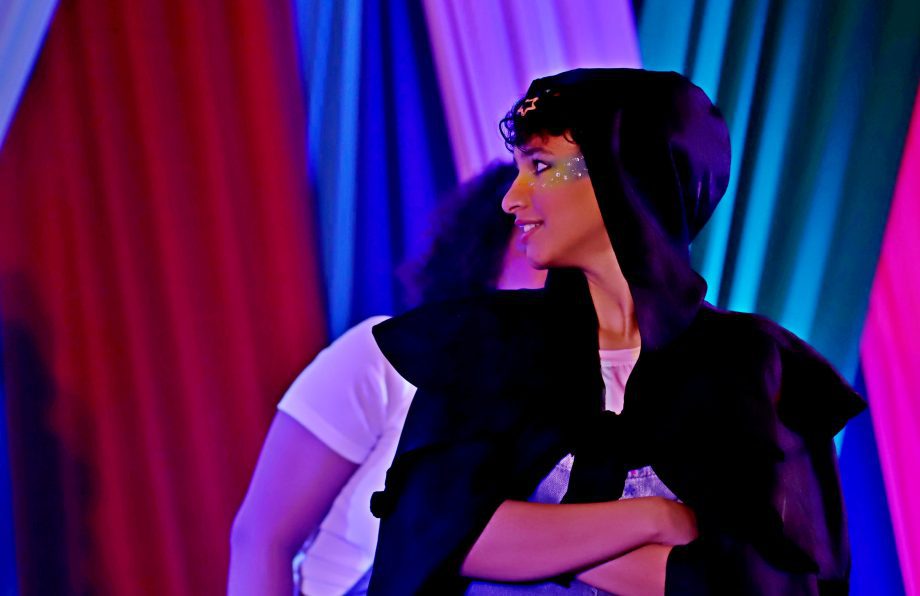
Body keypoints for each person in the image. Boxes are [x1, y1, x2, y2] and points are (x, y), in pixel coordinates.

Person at [367, 69, 866, 595]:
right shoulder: (487, 347)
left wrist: (528, 540)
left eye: (541, 167)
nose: (511, 199)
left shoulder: (751, 369)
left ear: (624, 176)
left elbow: (771, 584)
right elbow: (424, 533)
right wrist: (653, 520)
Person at [228, 163, 546, 596]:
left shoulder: (592, 399)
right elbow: (261, 540)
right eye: (531, 240)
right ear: (484, 255)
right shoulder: (385, 358)